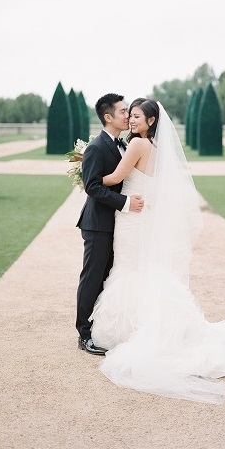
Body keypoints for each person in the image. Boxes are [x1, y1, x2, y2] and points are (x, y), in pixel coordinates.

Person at [89, 99, 225, 403]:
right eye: (130, 115)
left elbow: (113, 178)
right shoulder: (155, 148)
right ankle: (146, 325)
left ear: (151, 121)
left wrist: (87, 172)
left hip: (130, 220)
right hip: (141, 216)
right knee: (140, 269)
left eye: (137, 116)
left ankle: (129, 331)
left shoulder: (137, 145)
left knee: (128, 268)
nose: (132, 120)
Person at [75, 93, 144, 355]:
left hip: (118, 225)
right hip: (97, 224)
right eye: (123, 112)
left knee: (107, 278)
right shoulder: (95, 147)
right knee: (92, 278)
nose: (127, 115)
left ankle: (101, 327)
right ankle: (84, 334)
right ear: (108, 117)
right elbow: (92, 187)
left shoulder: (124, 144)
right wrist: (126, 203)